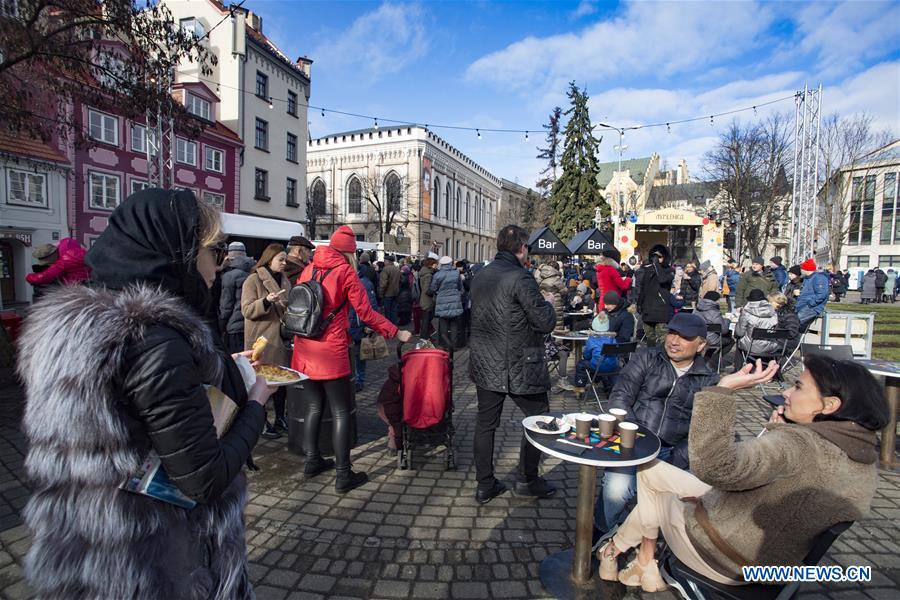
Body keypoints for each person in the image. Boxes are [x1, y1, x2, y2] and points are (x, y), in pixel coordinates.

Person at [19, 189, 273, 598]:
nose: (218, 263)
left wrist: (220, 366)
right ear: (179, 252)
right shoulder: (151, 338)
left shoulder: (72, 326)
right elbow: (203, 478)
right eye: (212, 250)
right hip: (150, 554)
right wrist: (257, 402)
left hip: (83, 537)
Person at [597, 358, 888, 591]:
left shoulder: (800, 444)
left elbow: (714, 467)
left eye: (798, 387)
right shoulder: (861, 456)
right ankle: (641, 563)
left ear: (829, 405)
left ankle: (616, 552)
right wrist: (782, 431)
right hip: (767, 562)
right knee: (651, 469)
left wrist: (722, 390)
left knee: (652, 487)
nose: (786, 392)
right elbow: (784, 481)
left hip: (719, 553)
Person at [292, 226, 411, 492]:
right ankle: (343, 474)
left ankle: (312, 461)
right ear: (350, 251)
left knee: (313, 407)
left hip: (304, 348)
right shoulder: (345, 272)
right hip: (331, 352)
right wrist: (395, 331)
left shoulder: (308, 268)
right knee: (341, 411)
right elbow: (366, 314)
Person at [597, 313, 719, 537]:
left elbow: (701, 432)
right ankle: (600, 535)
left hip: (671, 451)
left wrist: (674, 461)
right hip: (633, 441)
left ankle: (649, 544)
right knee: (616, 489)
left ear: (701, 344)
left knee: (690, 494)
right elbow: (621, 396)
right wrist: (633, 436)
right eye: (672, 333)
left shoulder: (708, 379)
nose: (674, 341)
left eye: (684, 337)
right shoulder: (647, 358)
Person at [470, 225, 557, 504]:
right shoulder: (521, 278)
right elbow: (544, 322)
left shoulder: (480, 274)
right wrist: (550, 303)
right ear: (522, 248)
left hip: (486, 361)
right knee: (539, 418)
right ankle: (527, 479)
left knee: (486, 424)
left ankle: (484, 485)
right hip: (519, 363)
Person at [242, 244, 292, 439]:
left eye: (285, 259)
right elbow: (246, 310)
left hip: (280, 337)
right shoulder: (253, 280)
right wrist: (265, 301)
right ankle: (260, 423)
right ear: (269, 259)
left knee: (280, 382)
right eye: (281, 259)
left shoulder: (285, 279)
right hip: (261, 340)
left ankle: (280, 417)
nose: (284, 263)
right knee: (261, 384)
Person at [636, 244, 675, 347]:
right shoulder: (648, 270)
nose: (656, 259)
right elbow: (643, 288)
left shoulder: (670, 271)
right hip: (648, 308)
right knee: (650, 338)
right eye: (655, 256)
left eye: (660, 257)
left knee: (662, 337)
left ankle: (663, 358)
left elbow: (663, 280)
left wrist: (657, 265)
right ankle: (651, 357)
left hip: (660, 309)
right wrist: (639, 304)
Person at [570, 312, 619, 393]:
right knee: (605, 362)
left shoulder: (592, 339)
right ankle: (607, 386)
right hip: (613, 366)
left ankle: (580, 386)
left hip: (597, 367)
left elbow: (586, 356)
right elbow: (616, 353)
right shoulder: (612, 338)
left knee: (581, 364)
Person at [218, 247, 255, 354]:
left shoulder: (229, 276)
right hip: (248, 325)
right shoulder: (252, 272)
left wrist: (221, 326)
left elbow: (226, 305)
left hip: (233, 326)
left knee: (235, 360)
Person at [349, 266, 379, 392]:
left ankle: (358, 380)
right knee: (353, 355)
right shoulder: (351, 280)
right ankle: (355, 380)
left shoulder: (365, 283)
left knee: (359, 355)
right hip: (350, 323)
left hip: (358, 324)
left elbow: (372, 305)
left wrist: (370, 325)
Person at [734, 288, 779, 365]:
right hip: (770, 345)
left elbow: (740, 333)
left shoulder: (746, 312)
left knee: (738, 338)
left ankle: (738, 367)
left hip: (751, 346)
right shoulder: (772, 312)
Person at [24, 237, 90, 288]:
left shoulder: (65, 260)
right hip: (87, 285)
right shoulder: (83, 253)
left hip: (73, 288)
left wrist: (29, 277)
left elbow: (46, 276)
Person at [431, 255, 464, 349]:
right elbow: (460, 288)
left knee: (443, 323)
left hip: (442, 301)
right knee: (454, 324)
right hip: (454, 301)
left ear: (441, 264)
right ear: (450, 263)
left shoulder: (437, 275)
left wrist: (439, 293)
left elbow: (433, 288)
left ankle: (445, 345)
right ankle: (453, 345)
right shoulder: (456, 274)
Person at [695, 291, 733, 370]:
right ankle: (713, 360)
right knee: (731, 340)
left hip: (697, 337)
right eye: (718, 299)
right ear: (714, 300)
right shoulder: (714, 312)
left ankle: (707, 359)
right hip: (711, 340)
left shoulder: (696, 310)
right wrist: (727, 320)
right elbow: (724, 330)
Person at [795, 258, 829, 330]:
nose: (800, 270)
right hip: (803, 305)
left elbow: (822, 294)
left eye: (801, 268)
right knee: (792, 321)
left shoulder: (819, 278)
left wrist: (810, 303)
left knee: (794, 322)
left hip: (812, 307)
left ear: (806, 269)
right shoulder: (807, 278)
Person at [770, 292, 801, 358]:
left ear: (779, 303)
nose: (768, 304)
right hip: (777, 339)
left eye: (770, 302)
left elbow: (791, 333)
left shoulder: (790, 315)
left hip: (787, 342)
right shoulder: (775, 313)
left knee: (762, 346)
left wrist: (773, 334)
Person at [417, 257, 437, 340]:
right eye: (435, 264)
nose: (436, 265)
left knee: (426, 320)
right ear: (431, 265)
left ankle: (425, 337)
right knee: (426, 321)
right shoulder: (428, 275)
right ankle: (425, 338)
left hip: (424, 300)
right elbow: (427, 290)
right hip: (427, 301)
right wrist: (435, 290)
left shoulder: (424, 273)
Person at [380, 254, 401, 324]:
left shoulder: (385, 269)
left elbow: (383, 284)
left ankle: (389, 327)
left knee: (387, 311)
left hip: (387, 294)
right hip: (395, 293)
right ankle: (394, 326)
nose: (384, 262)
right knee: (394, 311)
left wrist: (381, 293)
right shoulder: (397, 269)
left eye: (385, 261)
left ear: (388, 261)